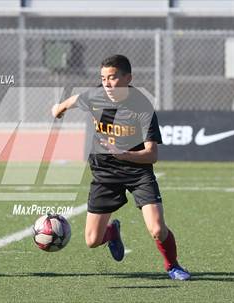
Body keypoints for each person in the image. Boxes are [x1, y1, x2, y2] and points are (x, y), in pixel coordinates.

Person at [51, 54, 190, 280]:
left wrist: (124, 154)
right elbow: (76, 99)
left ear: (128, 78)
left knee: (156, 229)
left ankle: (173, 265)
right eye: (103, 78)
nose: (107, 83)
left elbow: (152, 155)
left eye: (113, 78)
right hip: (104, 172)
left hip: (137, 172)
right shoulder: (97, 95)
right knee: (92, 241)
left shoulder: (142, 107)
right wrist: (60, 108)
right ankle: (112, 232)